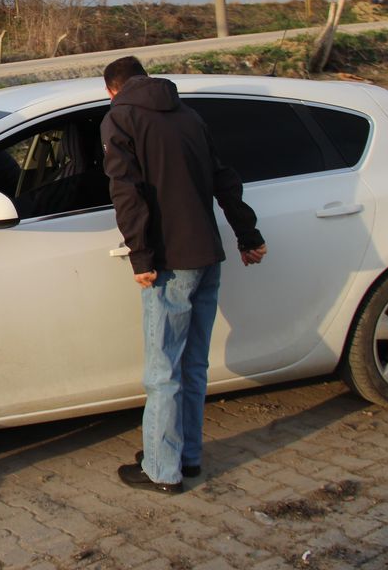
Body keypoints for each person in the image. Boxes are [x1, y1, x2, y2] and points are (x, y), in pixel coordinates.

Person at [100, 56, 267, 494]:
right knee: (192, 366)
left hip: (170, 263)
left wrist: (141, 255)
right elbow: (223, 178)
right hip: (208, 256)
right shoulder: (188, 114)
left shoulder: (121, 119)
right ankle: (186, 457)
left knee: (162, 371)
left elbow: (126, 191)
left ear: (112, 89)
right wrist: (247, 235)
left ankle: (161, 470)